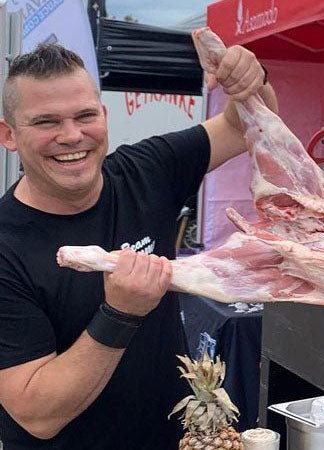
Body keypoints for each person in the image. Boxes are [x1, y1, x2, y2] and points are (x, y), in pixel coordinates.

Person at [0, 41, 278, 449]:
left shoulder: (145, 171)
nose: (72, 135)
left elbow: (244, 126)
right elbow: (36, 414)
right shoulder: (7, 246)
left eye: (85, 115)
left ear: (104, 116)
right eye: (46, 122)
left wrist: (252, 81)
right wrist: (120, 314)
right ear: (8, 134)